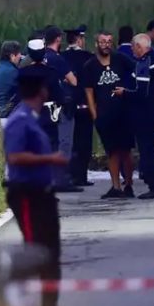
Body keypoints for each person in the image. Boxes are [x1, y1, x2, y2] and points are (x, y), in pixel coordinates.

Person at [3, 68, 78, 306]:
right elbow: (14, 157)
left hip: (43, 194)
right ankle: (10, 305)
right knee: (34, 252)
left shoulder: (33, 118)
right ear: (41, 91)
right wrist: (51, 159)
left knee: (50, 252)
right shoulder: (20, 121)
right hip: (26, 194)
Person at [83, 30, 137, 199]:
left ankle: (129, 184)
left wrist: (131, 91)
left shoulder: (120, 58)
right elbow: (89, 92)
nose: (106, 45)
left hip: (124, 111)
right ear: (97, 44)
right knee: (112, 151)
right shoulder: (90, 66)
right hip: (104, 114)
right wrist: (94, 115)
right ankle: (116, 186)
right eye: (103, 41)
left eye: (108, 41)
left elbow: (137, 70)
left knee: (126, 151)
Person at [126, 33, 154, 199]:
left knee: (147, 151)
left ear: (139, 46)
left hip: (145, 115)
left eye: (133, 46)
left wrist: (125, 93)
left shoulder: (145, 63)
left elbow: (142, 92)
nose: (131, 50)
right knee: (148, 150)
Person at [43, 26, 82, 193]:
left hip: (44, 106)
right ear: (58, 39)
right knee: (64, 142)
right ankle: (61, 179)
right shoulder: (57, 59)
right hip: (62, 106)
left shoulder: (41, 57)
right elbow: (73, 81)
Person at [62, 25, 95, 187]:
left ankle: (69, 174)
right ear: (80, 40)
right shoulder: (88, 57)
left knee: (68, 142)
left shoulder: (61, 57)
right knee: (84, 142)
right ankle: (81, 176)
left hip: (67, 106)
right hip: (85, 105)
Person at [0, 40, 22, 127]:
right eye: (18, 54)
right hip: (12, 116)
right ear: (12, 56)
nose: (20, 56)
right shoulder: (13, 72)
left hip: (1, 115)